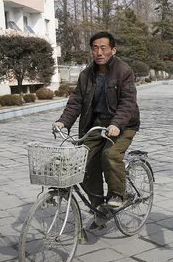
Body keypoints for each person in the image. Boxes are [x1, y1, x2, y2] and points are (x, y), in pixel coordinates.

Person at [53, 31, 140, 229]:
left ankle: (118, 194)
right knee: (84, 162)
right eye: (95, 48)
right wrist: (62, 122)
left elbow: (128, 103)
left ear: (113, 50)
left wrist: (117, 124)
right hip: (95, 125)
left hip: (123, 124)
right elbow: (75, 102)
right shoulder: (86, 75)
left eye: (103, 48)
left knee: (110, 154)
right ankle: (99, 208)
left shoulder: (123, 71)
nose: (99, 52)